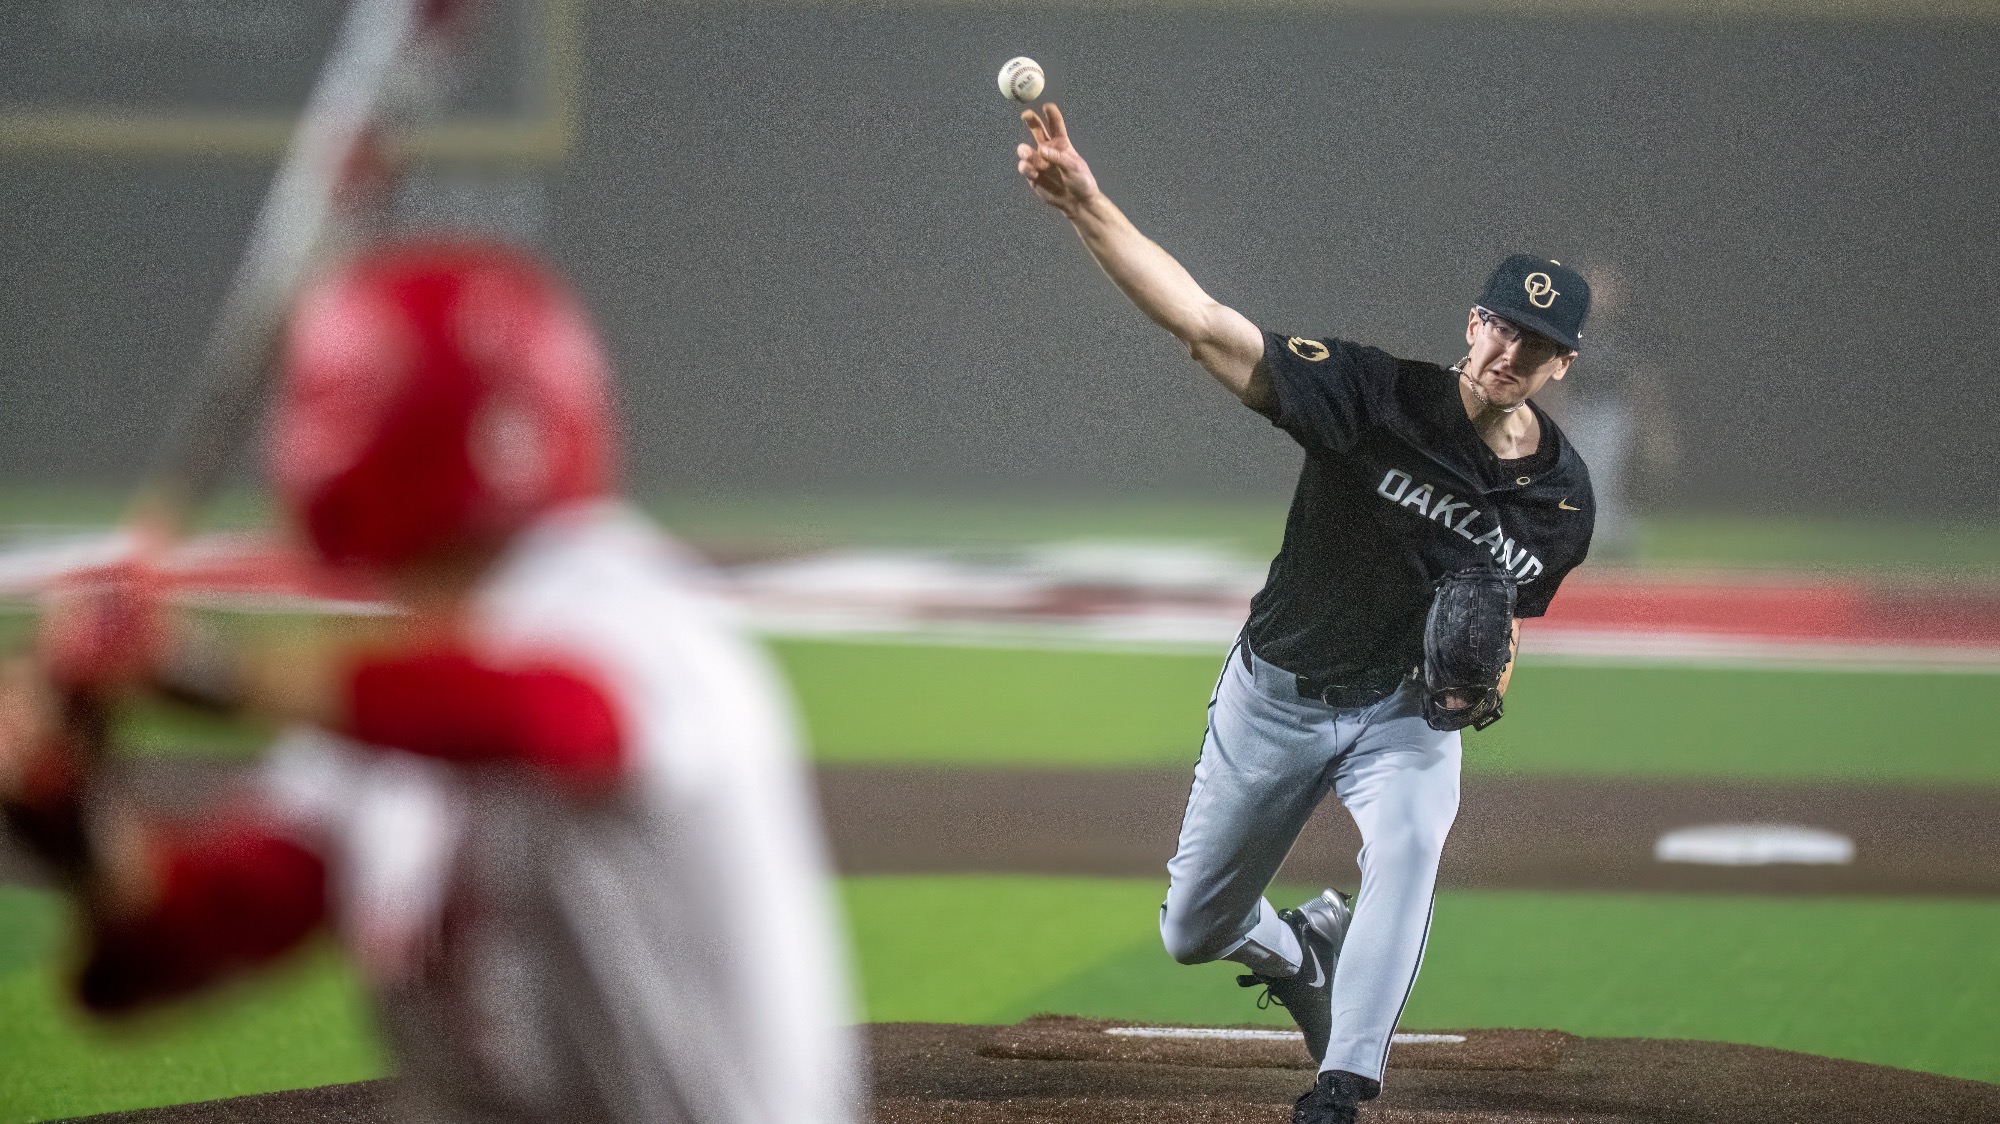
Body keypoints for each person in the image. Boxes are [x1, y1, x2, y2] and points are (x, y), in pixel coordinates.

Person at [0, 242, 863, 1124]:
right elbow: (186, 941)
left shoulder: (631, 612)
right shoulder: (391, 711)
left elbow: (550, 716)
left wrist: (197, 669)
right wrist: (74, 824)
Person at [1014, 105, 1596, 1124]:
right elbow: (1201, 321)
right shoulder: (1367, 395)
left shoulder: (1561, 502)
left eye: (1533, 341)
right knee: (1191, 930)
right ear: (1470, 320)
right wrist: (1088, 208)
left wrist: (1484, 688)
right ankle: (1296, 949)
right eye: (1499, 323)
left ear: (1559, 366)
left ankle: (1342, 1082)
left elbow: (1498, 627)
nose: (1507, 349)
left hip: (1404, 714)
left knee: (1410, 847)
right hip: (1275, 694)